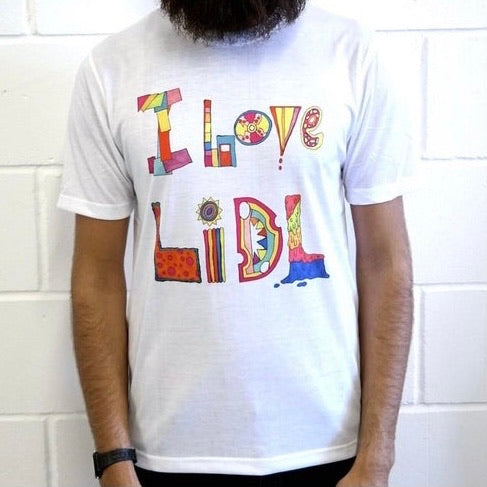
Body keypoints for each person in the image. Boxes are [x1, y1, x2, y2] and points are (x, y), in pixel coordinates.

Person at [57, 1, 417, 486]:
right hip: (167, 455)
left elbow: (385, 262)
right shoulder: (111, 69)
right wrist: (113, 462)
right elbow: (96, 277)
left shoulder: (351, 55)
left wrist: (376, 457)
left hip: (328, 449)